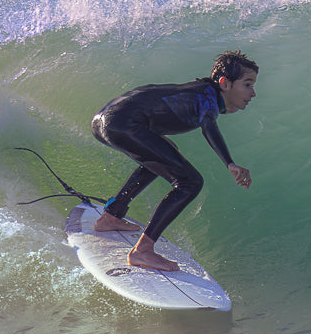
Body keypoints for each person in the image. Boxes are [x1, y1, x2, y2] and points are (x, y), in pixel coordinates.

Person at [90, 50, 258, 271]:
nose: (253, 93)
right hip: (122, 122)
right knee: (190, 182)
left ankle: (111, 217)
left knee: (164, 152)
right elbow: (209, 126)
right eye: (247, 84)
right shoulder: (207, 97)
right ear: (225, 83)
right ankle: (143, 251)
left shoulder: (200, 91)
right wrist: (230, 163)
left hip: (104, 121)